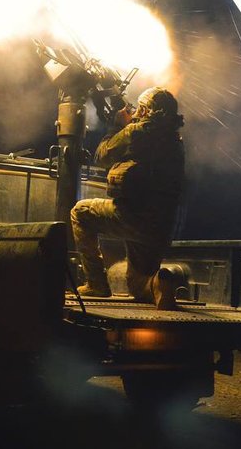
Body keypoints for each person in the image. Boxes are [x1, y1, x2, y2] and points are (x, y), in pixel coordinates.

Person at [70, 87, 185, 310]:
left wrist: (116, 125)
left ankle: (96, 283)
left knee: (81, 213)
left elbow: (101, 156)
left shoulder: (136, 132)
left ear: (144, 110)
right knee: (137, 285)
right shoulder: (175, 140)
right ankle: (158, 285)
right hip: (161, 227)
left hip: (132, 217)